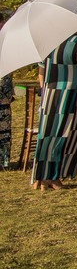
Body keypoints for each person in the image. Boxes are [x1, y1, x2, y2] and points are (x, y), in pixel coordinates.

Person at [33, 28, 77, 189]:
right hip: (70, 93)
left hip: (49, 94)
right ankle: (53, 176)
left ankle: (40, 176)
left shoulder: (47, 43)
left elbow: (41, 71)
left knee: (47, 134)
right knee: (64, 134)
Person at [0, 12, 14, 169]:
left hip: (4, 89)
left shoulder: (7, 42)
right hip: (3, 87)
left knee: (4, 126)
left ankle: (3, 160)